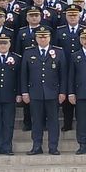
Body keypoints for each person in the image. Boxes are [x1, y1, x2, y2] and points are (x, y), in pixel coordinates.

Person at [21, 27, 67, 155]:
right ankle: (37, 146)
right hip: (35, 93)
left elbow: (63, 74)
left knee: (53, 121)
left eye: (45, 36)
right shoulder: (29, 52)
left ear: (49, 38)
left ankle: (53, 146)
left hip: (53, 93)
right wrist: (24, 91)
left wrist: (63, 92)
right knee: (36, 121)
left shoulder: (58, 52)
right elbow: (24, 74)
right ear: (36, 38)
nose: (42, 39)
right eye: (40, 37)